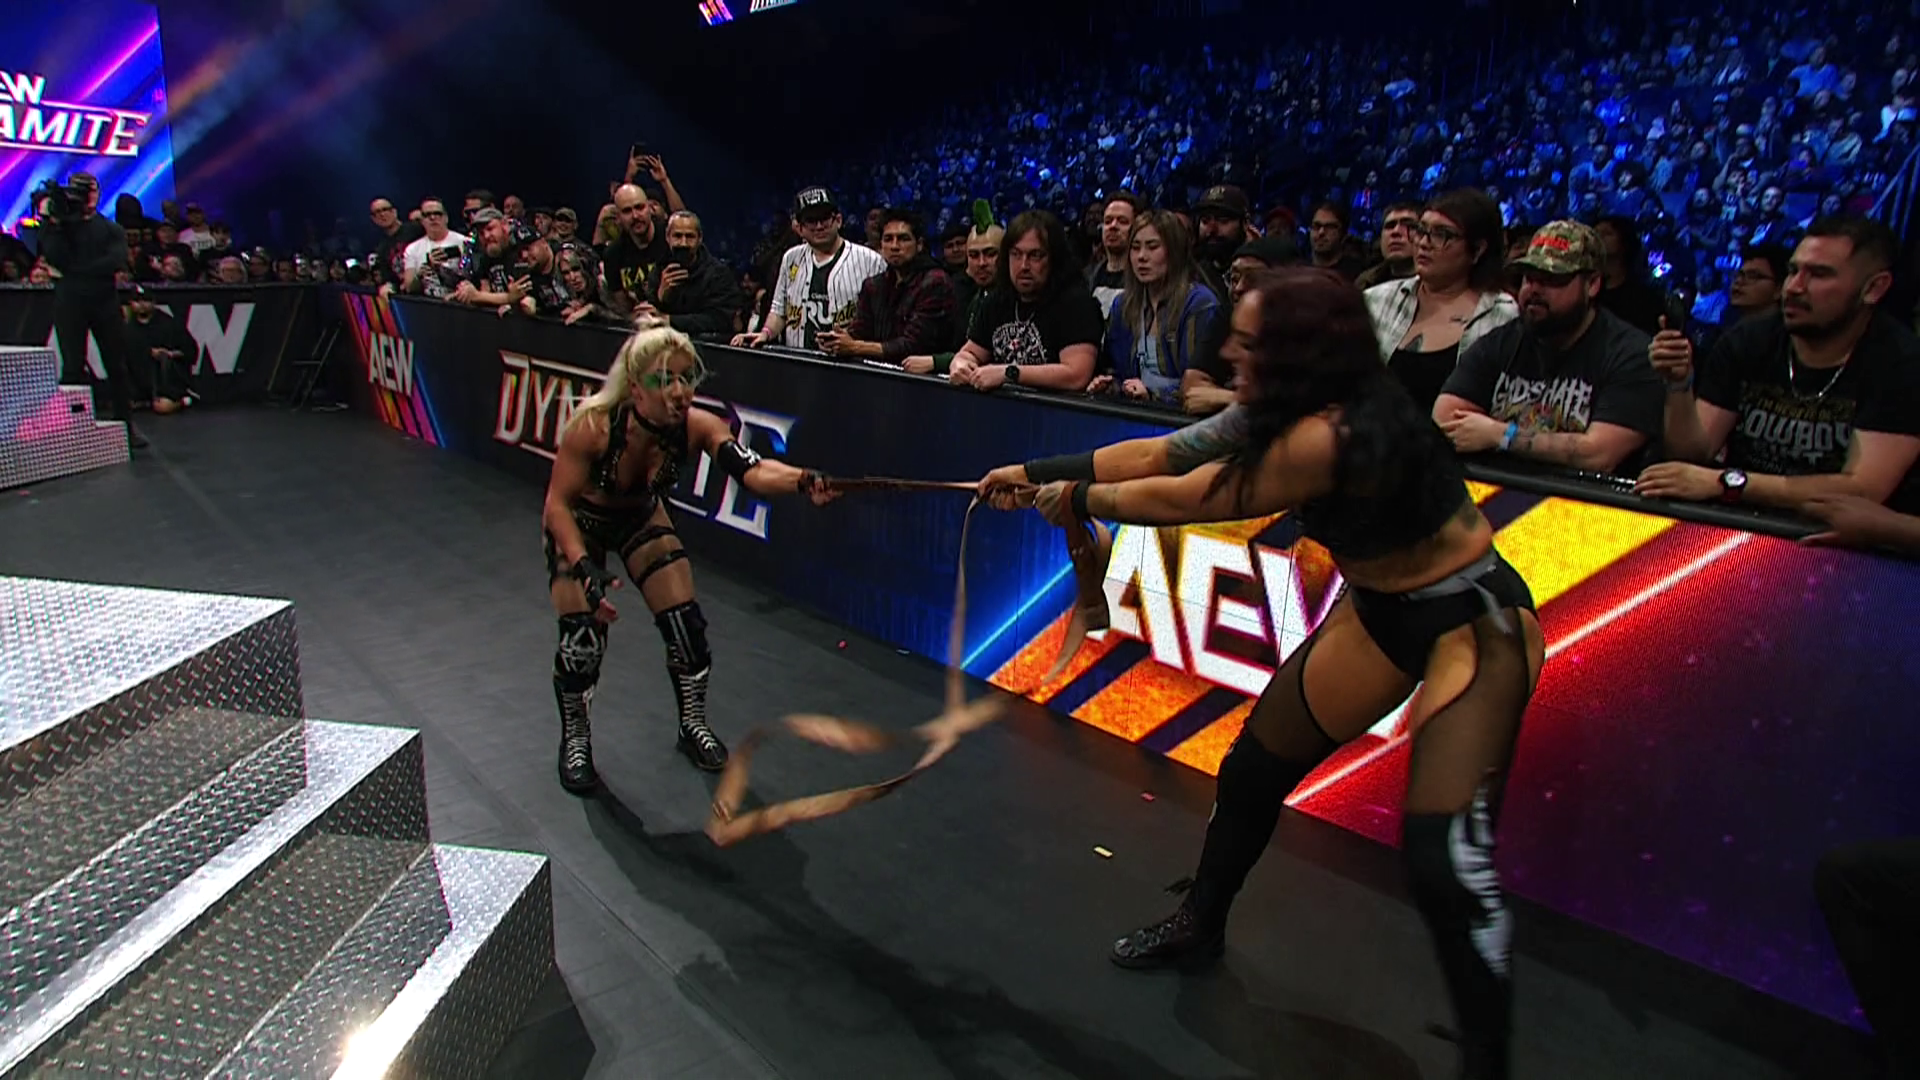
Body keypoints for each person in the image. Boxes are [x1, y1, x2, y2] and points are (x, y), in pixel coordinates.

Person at [979, 266, 1545, 1080]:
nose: (1232, 356)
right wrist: (1037, 473)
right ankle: (1200, 922)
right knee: (1253, 769)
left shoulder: (1330, 430)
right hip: (1381, 610)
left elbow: (1193, 497)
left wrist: (1077, 499)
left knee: (1442, 853)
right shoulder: (1279, 407)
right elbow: (1160, 451)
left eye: (1250, 344)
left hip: (1472, 624)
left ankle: (1488, 1064)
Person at [541, 317, 836, 792]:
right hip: (582, 521)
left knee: (687, 627)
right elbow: (556, 505)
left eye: (686, 377)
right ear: (636, 388)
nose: (679, 391)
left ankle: (692, 723)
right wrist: (582, 564)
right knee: (582, 641)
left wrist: (804, 480)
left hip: (640, 515)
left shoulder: (697, 426)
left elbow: (752, 471)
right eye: (665, 379)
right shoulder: (594, 427)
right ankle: (575, 737)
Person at [1636, 217, 1920, 514]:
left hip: (1834, 533)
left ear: (1873, 289)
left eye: (1819, 274)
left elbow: (1863, 490)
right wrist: (1679, 386)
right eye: (1793, 271)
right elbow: (1692, 457)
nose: (1794, 288)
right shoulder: (1747, 340)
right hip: (1739, 519)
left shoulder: (1901, 363)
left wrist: (1729, 483)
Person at [1432, 221, 1663, 475]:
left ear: (1592, 284)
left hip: (1581, 497)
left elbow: (1599, 454)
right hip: (1495, 489)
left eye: (1552, 279)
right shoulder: (1501, 342)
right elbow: (1445, 420)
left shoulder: (1630, 354)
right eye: (1528, 278)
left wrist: (1502, 435)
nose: (1534, 289)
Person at [1363, 189, 1518, 414]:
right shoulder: (1377, 300)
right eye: (1421, 230)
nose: (1424, 243)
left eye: (1441, 234)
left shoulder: (1502, 316)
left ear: (1477, 249)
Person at [36, 173, 144, 449]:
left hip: (103, 300)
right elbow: (54, 254)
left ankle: (125, 424)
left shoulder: (110, 229)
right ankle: (74, 428)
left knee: (116, 364)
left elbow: (114, 261)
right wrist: (57, 223)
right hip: (70, 301)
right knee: (73, 365)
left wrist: (73, 272)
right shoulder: (59, 227)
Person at [1095, 210, 1220, 406]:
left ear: (1174, 252)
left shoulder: (1199, 304)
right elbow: (1116, 368)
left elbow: (1199, 387)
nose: (1141, 257)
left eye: (1152, 247)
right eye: (1135, 248)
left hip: (1181, 418)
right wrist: (1112, 385)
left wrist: (1154, 394)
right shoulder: (1122, 305)